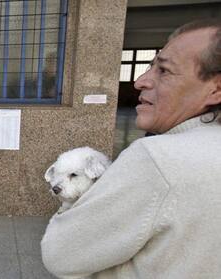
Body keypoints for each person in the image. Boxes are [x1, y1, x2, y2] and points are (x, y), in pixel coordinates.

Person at [41, 19, 221, 279]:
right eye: (150, 66)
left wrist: (71, 206)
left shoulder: (156, 157)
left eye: (164, 70)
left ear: (215, 89)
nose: (140, 81)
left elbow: (59, 255)